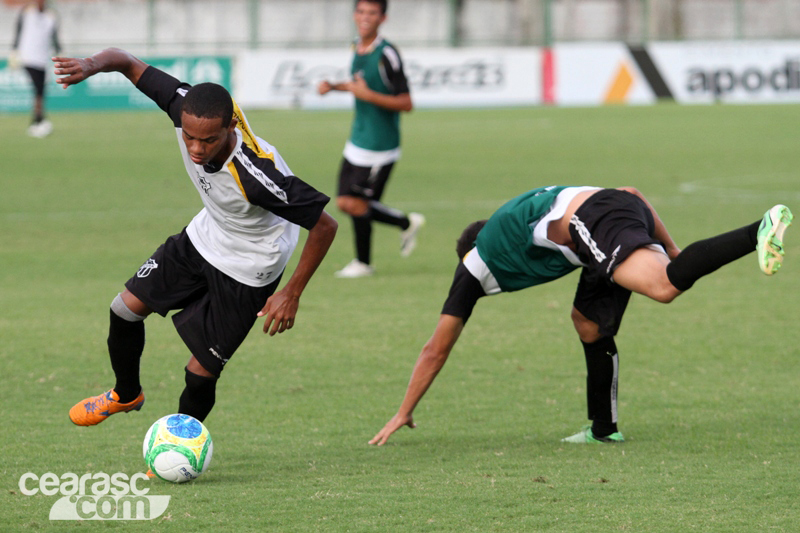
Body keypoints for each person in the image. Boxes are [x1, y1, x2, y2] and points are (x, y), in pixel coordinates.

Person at [369, 185, 792, 446]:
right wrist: (673, 248)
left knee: (664, 287)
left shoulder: (476, 260)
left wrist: (404, 410)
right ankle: (603, 428)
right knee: (587, 322)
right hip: (612, 213)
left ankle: (758, 229)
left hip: (592, 221)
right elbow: (630, 192)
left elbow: (436, 348)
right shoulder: (520, 221)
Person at [54, 47, 338, 426]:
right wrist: (89, 65)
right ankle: (126, 394)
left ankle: (181, 442)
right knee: (123, 310)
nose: (196, 149)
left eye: (208, 140)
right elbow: (126, 62)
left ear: (231, 127)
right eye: (189, 137)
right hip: (209, 234)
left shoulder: (257, 177)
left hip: (251, 265)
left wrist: (292, 293)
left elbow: (325, 225)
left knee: (200, 372)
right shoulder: (185, 106)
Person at [318, 0, 424, 278]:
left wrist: (368, 96)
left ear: (382, 18)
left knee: (356, 204)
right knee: (346, 202)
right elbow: (358, 85)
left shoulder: (387, 54)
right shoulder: (356, 45)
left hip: (380, 145)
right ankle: (402, 225)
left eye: (372, 13)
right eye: (361, 11)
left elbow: (406, 103)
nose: (365, 17)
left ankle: (364, 262)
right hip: (358, 138)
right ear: (355, 15)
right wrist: (334, 87)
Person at [10, 0, 61, 138]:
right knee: (38, 90)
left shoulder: (51, 15)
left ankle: (38, 120)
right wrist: (14, 50)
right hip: (28, 57)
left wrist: (59, 51)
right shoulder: (27, 12)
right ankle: (38, 120)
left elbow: (54, 36)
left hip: (42, 59)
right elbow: (19, 30)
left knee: (40, 92)